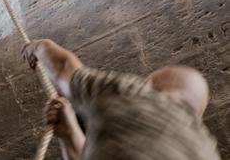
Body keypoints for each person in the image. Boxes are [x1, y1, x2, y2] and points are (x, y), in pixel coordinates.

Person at [22, 39, 221, 160]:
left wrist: (38, 47)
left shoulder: (141, 98)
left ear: (151, 87)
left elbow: (64, 68)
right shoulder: (206, 150)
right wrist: (68, 133)